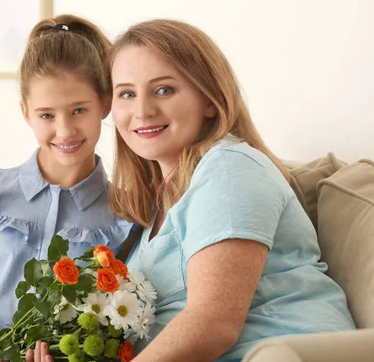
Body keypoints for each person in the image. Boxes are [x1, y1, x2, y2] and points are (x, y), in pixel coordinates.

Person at [106, 19, 356, 361]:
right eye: (127, 93)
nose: (142, 110)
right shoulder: (153, 207)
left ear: (210, 100)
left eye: (164, 89)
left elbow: (213, 324)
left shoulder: (228, 168)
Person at [0, 15, 135, 362]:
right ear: (25, 112)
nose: (65, 130)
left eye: (79, 110)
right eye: (47, 115)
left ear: (105, 104)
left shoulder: (125, 214)